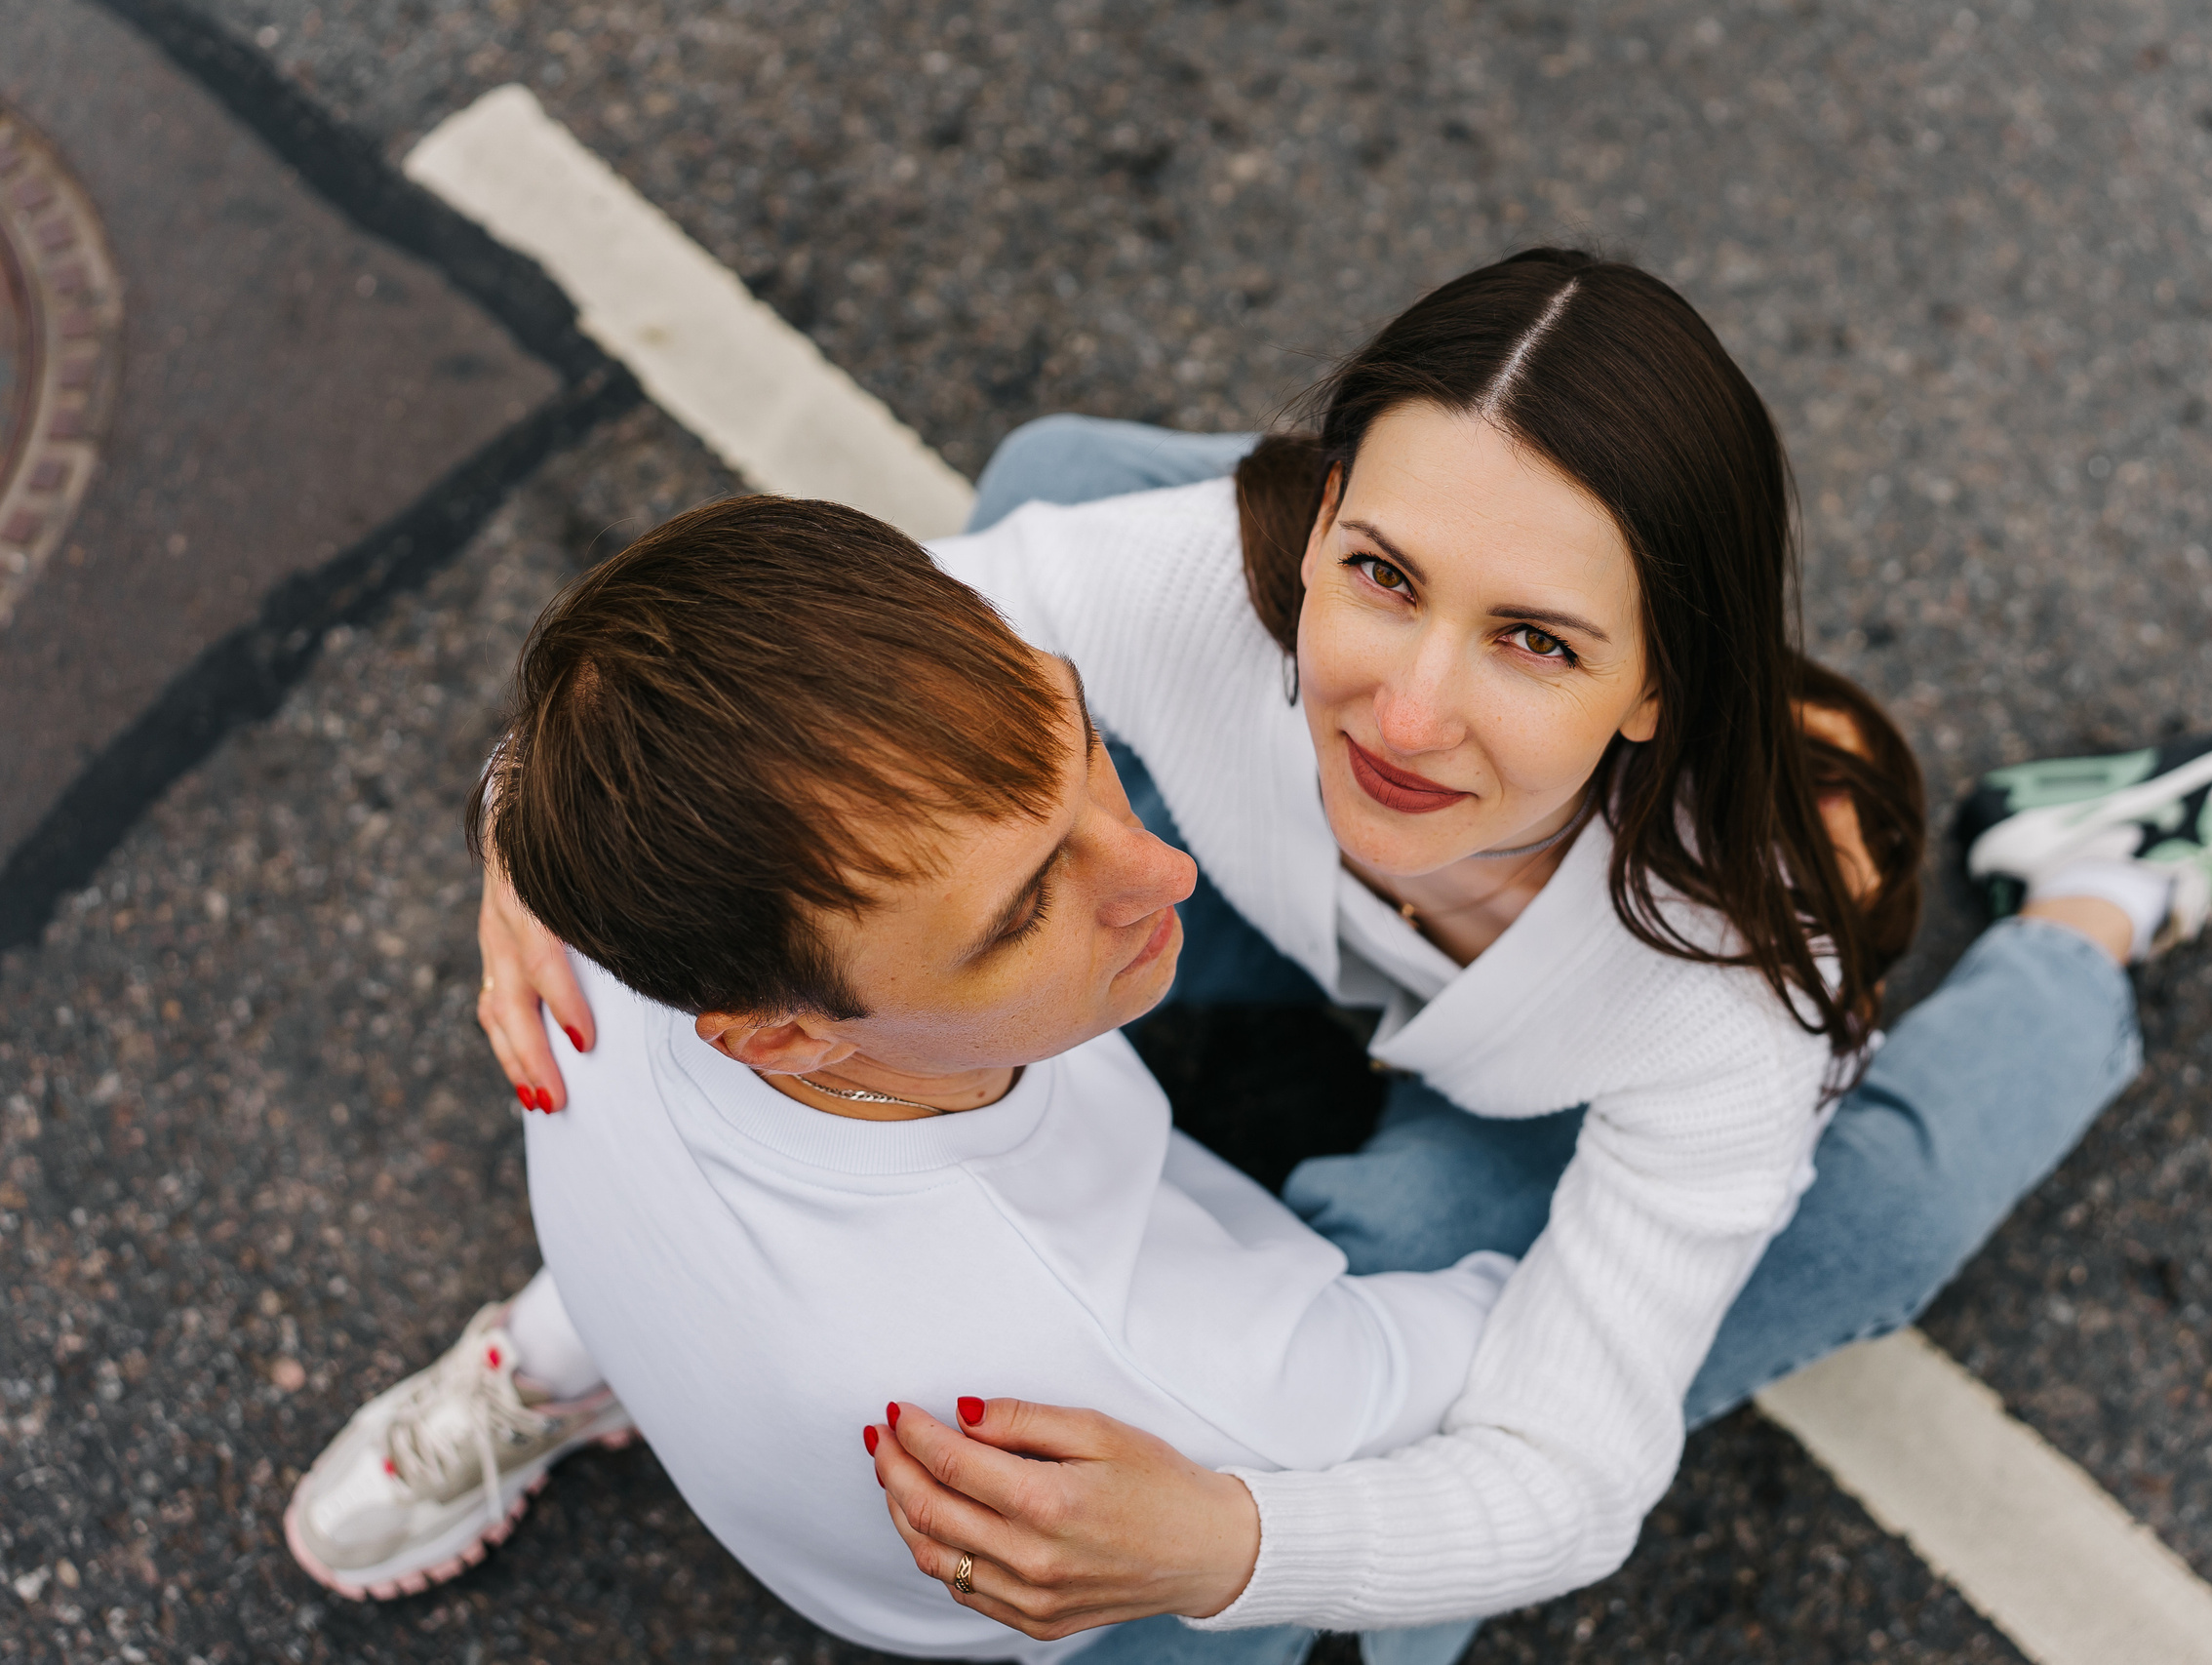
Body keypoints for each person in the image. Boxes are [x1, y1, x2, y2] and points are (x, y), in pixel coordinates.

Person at [375, 250, 2212, 1647]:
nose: (1400, 712)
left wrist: (1229, 1537)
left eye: (1535, 639)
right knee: (1060, 483)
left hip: (1539, 1075)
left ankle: (2096, 890)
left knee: (1846, 1220)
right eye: (1379, 575)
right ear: (1316, 525)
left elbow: (1570, 1478)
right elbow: (729, 712)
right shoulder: (1178, 594)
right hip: (1255, 894)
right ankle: (619, 1326)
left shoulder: (1713, 1000)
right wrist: (530, 823)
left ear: (1662, 674)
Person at [284, 496, 1518, 1665]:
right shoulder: (1112, 1353)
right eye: (1027, 907)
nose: (1162, 870)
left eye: (1074, 728)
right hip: (1057, 1527)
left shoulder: (591, 904)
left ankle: (567, 1354)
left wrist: (507, 822)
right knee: (1496, 1202)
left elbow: (549, 745)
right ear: (782, 1038)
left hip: (723, 1287)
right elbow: (1459, 1371)